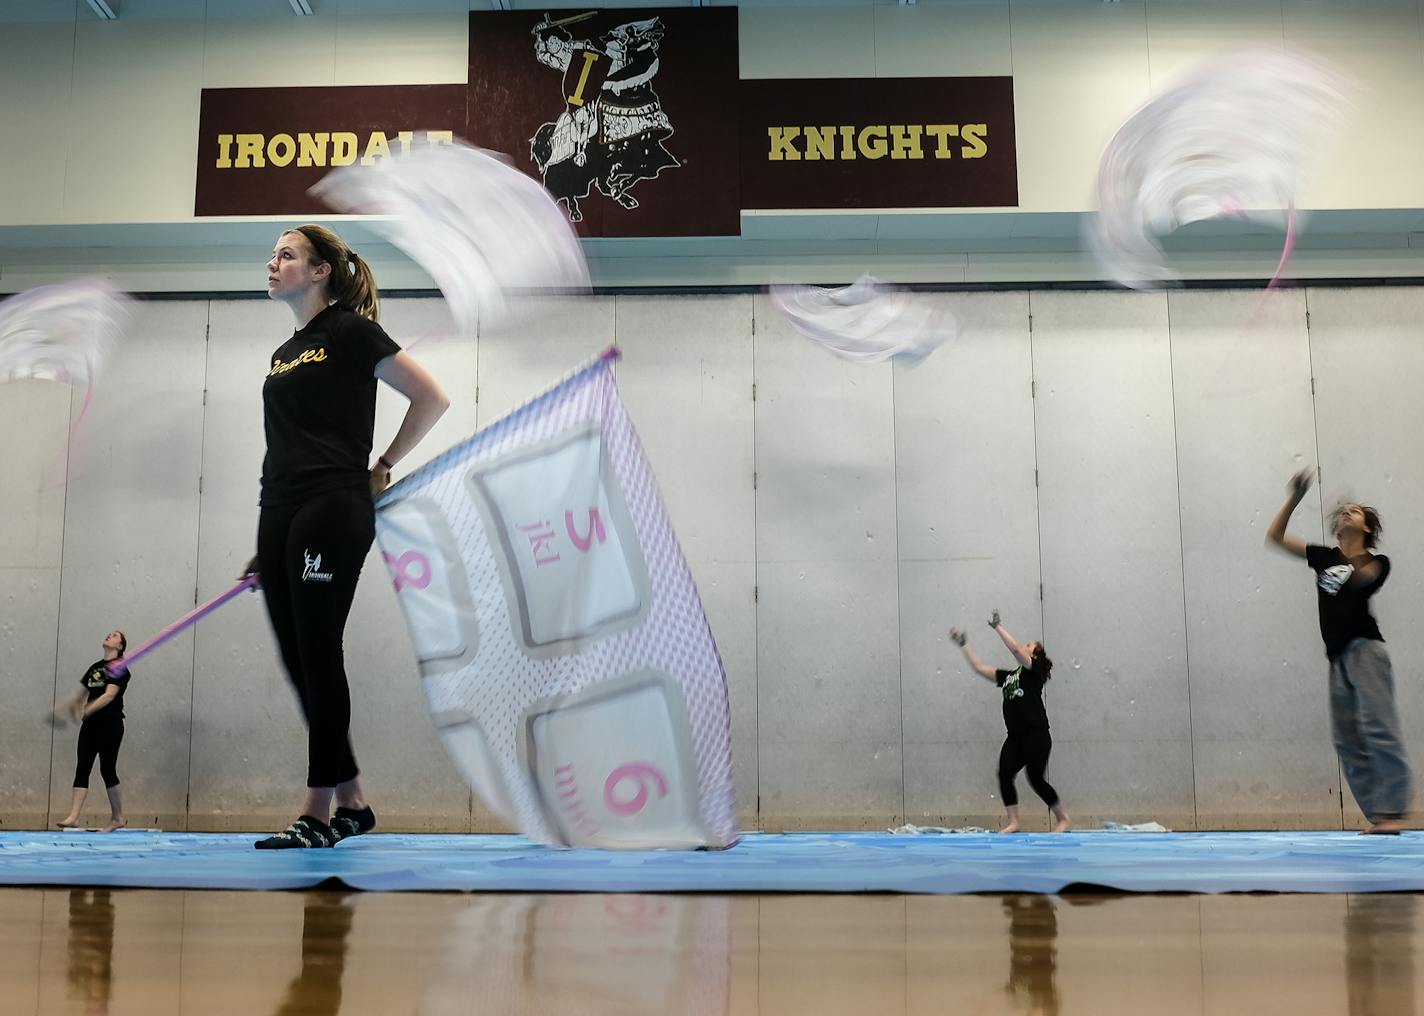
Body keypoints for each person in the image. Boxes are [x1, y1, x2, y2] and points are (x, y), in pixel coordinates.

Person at [247, 224, 449, 849]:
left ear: (319, 272)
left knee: (318, 650)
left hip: (332, 505)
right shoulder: (286, 351)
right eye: (274, 254)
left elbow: (431, 397)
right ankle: (354, 801)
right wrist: (267, 546)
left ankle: (318, 813)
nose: (273, 263)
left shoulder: (350, 330)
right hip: (278, 510)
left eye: (287, 254)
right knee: (296, 659)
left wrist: (383, 465)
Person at [1266, 467, 1410, 834]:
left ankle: (1394, 811)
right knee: (1346, 741)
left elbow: (1362, 581)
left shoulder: (1376, 562)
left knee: (1379, 730)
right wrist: (1294, 499)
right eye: (1343, 510)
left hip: (1366, 652)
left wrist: (1347, 556)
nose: (1347, 512)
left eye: (1355, 511)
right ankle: (1380, 816)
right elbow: (1275, 537)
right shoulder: (1323, 557)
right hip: (1337, 660)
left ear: (1366, 528)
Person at [949, 610, 1070, 834]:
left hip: (1036, 734)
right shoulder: (1009, 676)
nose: (1023, 647)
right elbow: (979, 668)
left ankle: (1062, 818)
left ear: (1035, 656)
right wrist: (964, 644)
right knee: (1004, 773)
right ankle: (1014, 822)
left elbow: (1015, 649)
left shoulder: (1035, 672)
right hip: (1015, 737)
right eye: (1025, 645)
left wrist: (998, 626)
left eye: (1028, 646)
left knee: (1035, 779)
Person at [55, 630, 129, 832]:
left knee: (107, 769)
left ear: (120, 646)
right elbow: (82, 693)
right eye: (109, 633)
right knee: (83, 767)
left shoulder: (120, 668)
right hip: (91, 724)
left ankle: (118, 818)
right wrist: (72, 705)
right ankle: (73, 816)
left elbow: (109, 695)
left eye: (115, 635)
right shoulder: (95, 667)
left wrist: (88, 708)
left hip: (111, 724)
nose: (109, 635)